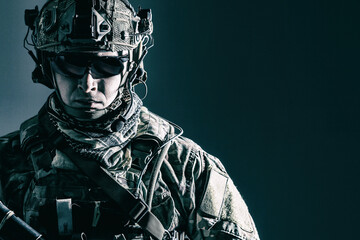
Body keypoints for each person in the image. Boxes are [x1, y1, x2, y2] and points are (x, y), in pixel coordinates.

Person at [0, 0, 260, 239]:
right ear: (47, 65)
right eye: (71, 63)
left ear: (130, 67)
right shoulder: (7, 161)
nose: (87, 83)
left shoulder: (183, 165)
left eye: (107, 66)